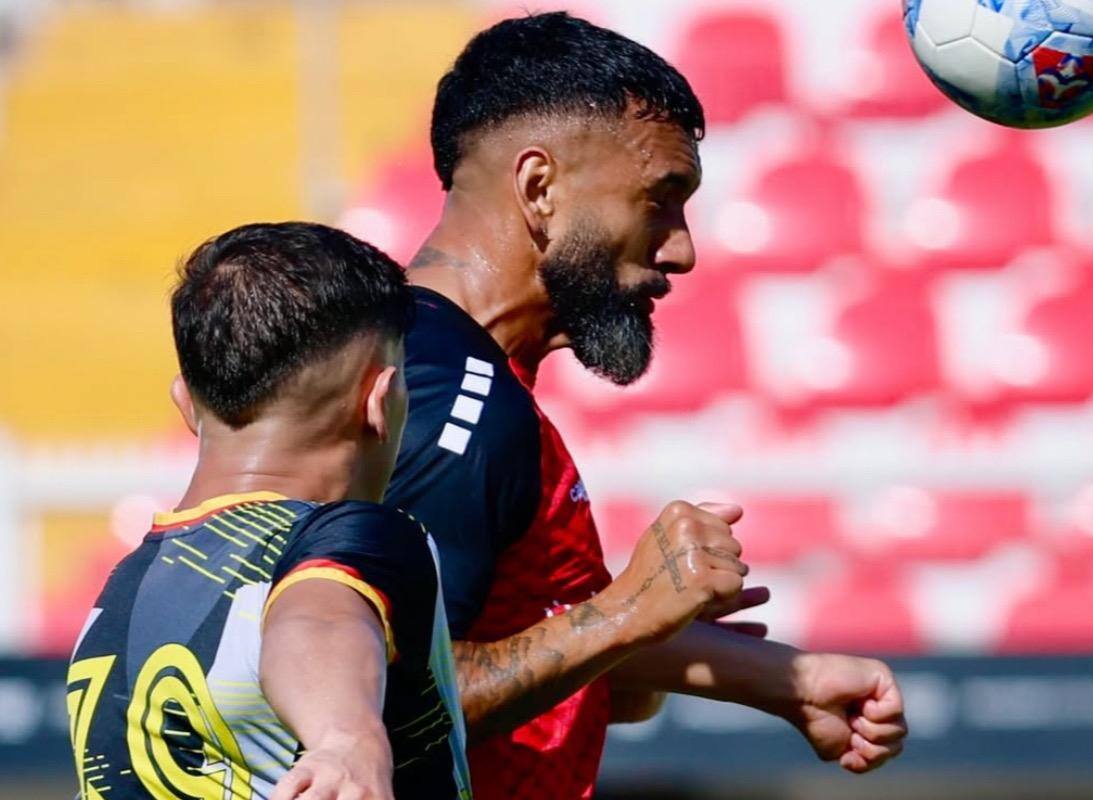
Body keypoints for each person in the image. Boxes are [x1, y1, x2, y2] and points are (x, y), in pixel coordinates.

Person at [385, 12, 908, 800]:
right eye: (660, 200)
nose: (682, 250)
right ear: (539, 188)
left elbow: (553, 663)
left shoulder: (471, 379)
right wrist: (628, 613)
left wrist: (779, 678)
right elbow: (377, 705)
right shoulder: (441, 395)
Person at [66, 222, 472, 800]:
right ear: (379, 400)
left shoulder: (120, 594)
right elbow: (319, 616)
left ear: (185, 402)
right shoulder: (359, 534)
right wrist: (344, 736)